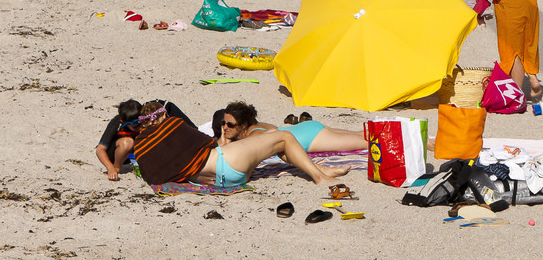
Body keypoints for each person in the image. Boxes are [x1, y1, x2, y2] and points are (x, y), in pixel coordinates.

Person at [129, 98, 346, 188]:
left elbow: (155, 178)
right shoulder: (172, 125)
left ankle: (320, 168)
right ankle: (320, 177)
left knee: (275, 145)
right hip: (228, 163)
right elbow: (211, 145)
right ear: (162, 116)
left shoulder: (140, 146)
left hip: (220, 181)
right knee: (284, 138)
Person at [95, 98, 192, 180]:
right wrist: (110, 167)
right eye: (135, 124)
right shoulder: (117, 122)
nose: (140, 126)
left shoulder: (146, 121)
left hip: (135, 156)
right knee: (128, 142)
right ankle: (117, 168)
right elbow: (100, 149)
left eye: (141, 121)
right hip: (118, 153)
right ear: (123, 121)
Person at [216, 102, 366, 154]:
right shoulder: (257, 126)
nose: (225, 127)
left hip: (312, 139)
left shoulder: (255, 135)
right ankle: (387, 127)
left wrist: (223, 141)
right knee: (363, 134)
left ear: (243, 125)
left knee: (368, 142)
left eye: (230, 124)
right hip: (308, 128)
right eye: (223, 123)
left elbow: (237, 150)